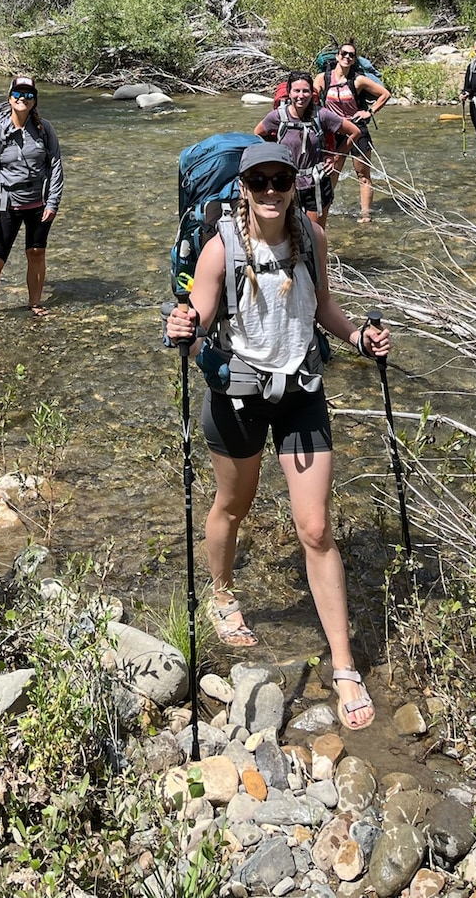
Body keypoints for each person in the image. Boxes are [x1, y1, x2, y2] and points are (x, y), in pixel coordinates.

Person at [165, 140, 391, 731]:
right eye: (259, 181)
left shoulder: (311, 238)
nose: (270, 190)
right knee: (233, 506)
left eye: (280, 180)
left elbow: (324, 309)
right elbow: (200, 321)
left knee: (315, 528)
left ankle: (344, 666)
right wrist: (182, 326)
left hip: (301, 393)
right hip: (237, 395)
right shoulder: (221, 249)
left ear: (294, 183)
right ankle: (221, 592)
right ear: (243, 187)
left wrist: (358, 337)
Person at [0, 74, 63, 319]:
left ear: (34, 101)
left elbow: (56, 166)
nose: (23, 99)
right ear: (10, 98)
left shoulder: (44, 129)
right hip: (5, 205)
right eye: (18, 94)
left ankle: (35, 304)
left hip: (38, 203)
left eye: (29, 95)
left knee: (37, 253)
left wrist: (53, 202)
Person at [255, 71, 360, 226]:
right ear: (289, 92)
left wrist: (336, 156)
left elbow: (354, 132)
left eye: (306, 91)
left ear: (312, 93)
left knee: (315, 234)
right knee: (287, 234)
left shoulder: (322, 115)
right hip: (286, 184)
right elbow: (257, 134)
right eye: (297, 91)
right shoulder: (277, 117)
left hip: (316, 182)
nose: (301, 95)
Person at [314, 42, 391, 224]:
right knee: (332, 171)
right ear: (337, 56)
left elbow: (385, 94)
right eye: (344, 54)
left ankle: (366, 216)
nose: (347, 57)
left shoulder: (359, 80)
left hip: (357, 129)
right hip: (334, 131)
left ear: (355, 59)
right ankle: (325, 210)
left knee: (363, 175)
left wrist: (369, 112)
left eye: (351, 55)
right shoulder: (323, 78)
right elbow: (314, 98)